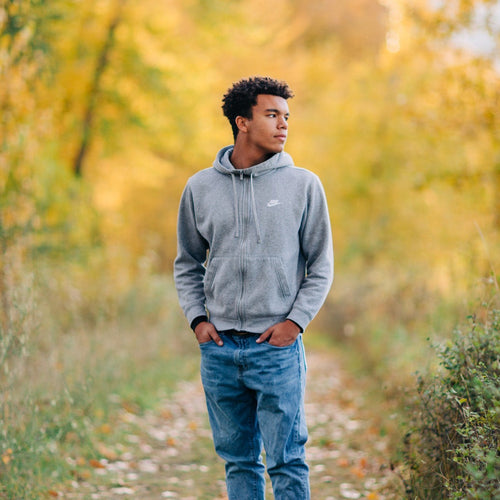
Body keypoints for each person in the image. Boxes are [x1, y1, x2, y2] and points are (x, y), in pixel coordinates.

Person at [174, 76, 333, 499]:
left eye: (286, 117)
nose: (283, 124)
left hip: (276, 349)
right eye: (272, 115)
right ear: (242, 121)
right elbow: (187, 262)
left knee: (287, 460)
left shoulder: (303, 185)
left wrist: (295, 324)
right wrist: (198, 321)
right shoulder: (199, 188)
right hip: (220, 349)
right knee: (239, 461)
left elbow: (321, 265)